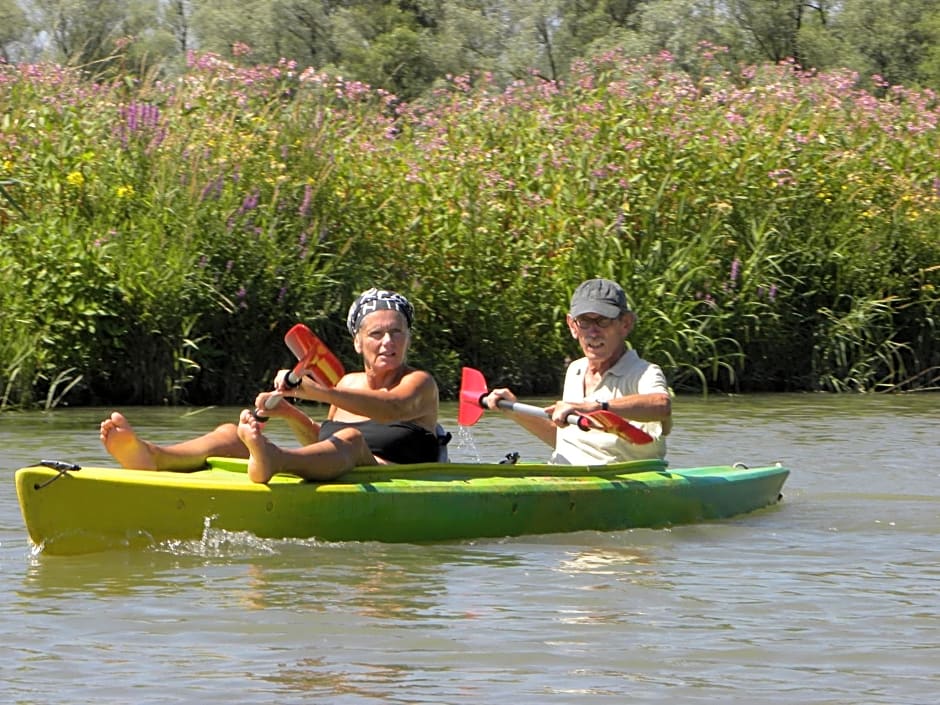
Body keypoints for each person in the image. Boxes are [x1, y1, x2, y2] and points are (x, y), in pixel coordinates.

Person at [99, 288, 441, 484]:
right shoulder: (347, 383)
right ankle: (153, 455)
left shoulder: (419, 383)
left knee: (350, 439)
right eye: (376, 334)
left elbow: (393, 409)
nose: (387, 342)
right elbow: (322, 440)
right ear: (357, 342)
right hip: (338, 462)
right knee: (231, 433)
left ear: (408, 339)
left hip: (390, 477)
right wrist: (290, 413)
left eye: (397, 332)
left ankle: (272, 459)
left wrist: (319, 392)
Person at [484, 278, 672, 464]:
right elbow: (565, 442)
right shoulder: (575, 369)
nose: (593, 332)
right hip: (564, 478)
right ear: (573, 326)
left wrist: (597, 407)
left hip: (619, 483)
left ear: (625, 324)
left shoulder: (645, 372)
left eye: (603, 321)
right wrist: (514, 410)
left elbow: (662, 406)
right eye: (584, 321)